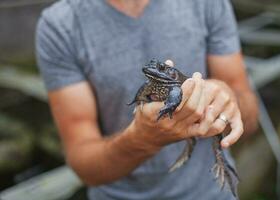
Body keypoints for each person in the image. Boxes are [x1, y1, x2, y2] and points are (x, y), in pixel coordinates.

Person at [36, 0, 258, 199]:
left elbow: (249, 119)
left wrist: (227, 98)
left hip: (209, 193)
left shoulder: (207, 3)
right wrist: (142, 139)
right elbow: (82, 163)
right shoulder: (60, 24)